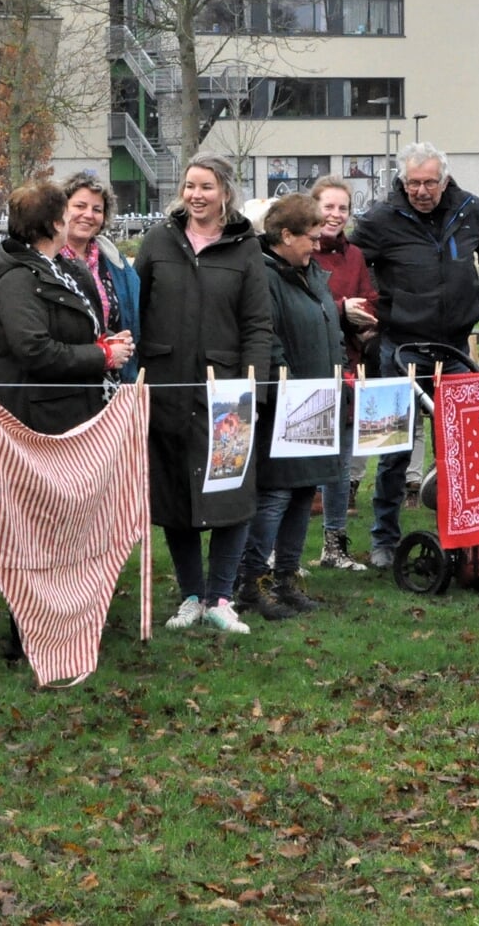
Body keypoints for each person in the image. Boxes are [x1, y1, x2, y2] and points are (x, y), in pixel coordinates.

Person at [0, 179, 136, 658]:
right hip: (36, 421)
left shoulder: (63, 268)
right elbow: (32, 349)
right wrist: (99, 355)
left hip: (75, 414)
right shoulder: (16, 278)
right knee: (36, 531)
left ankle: (68, 621)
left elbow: (88, 326)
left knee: (73, 526)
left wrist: (108, 345)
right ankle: (27, 631)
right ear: (54, 222)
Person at [350, 142, 479, 568]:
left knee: (458, 446)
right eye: (414, 183)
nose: (422, 190)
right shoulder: (380, 220)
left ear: (444, 180)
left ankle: (460, 534)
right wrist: (372, 308)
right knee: (392, 450)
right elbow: (351, 263)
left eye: (430, 182)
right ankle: (384, 539)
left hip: (453, 348)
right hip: (396, 348)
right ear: (402, 182)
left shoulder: (469, 210)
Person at [135, 153, 275, 635]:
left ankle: (220, 596)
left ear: (225, 193)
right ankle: (191, 595)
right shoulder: (157, 241)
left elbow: (258, 322)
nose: (196, 195)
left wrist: (251, 387)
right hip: (168, 388)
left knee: (231, 494)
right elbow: (137, 311)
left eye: (207, 187)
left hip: (227, 394)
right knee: (176, 494)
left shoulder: (245, 249)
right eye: (190, 186)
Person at [235, 194, 343, 620]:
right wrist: (289, 388)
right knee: (276, 495)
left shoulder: (310, 274)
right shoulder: (264, 277)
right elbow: (268, 338)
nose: (317, 246)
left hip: (318, 399)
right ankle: (252, 581)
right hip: (287, 403)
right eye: (310, 238)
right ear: (285, 235)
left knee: (303, 492)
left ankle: (287, 578)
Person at [308, 175, 379, 571]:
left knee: (341, 460)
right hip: (311, 366)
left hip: (351, 362)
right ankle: (277, 552)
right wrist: (339, 308)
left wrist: (366, 315)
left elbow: (371, 297)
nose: (335, 215)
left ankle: (334, 545)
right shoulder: (301, 250)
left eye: (342, 208)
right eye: (328, 206)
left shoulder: (354, 256)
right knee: (305, 459)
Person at [55, 172, 141, 383]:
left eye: (97, 210)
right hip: (64, 381)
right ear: (61, 210)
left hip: (114, 381)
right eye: (80, 206)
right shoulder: (48, 261)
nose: (88, 215)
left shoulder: (114, 263)